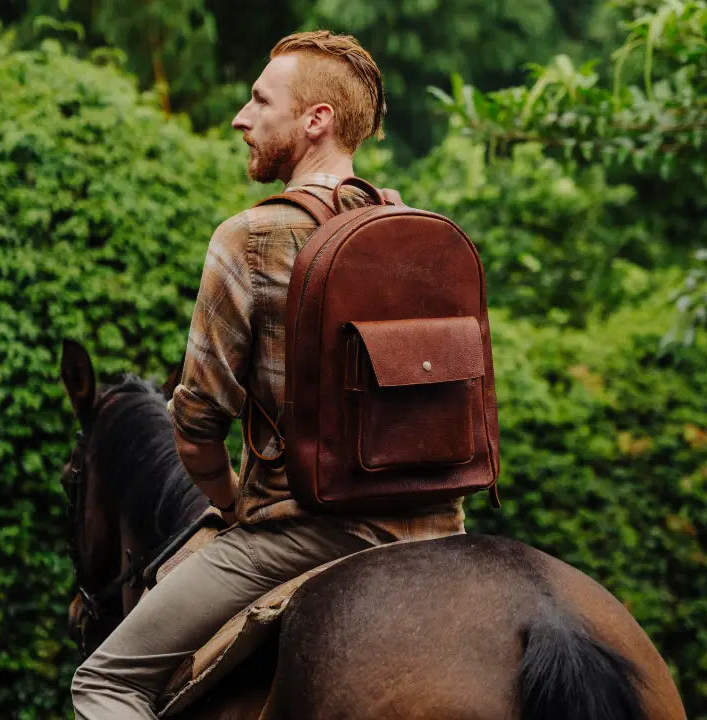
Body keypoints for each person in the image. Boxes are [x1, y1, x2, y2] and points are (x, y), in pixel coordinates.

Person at [70, 30, 465, 719]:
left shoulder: (249, 238)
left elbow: (196, 432)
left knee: (102, 683)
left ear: (316, 120)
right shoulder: (415, 232)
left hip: (310, 534)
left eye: (259, 100)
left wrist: (231, 504)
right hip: (442, 529)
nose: (240, 118)